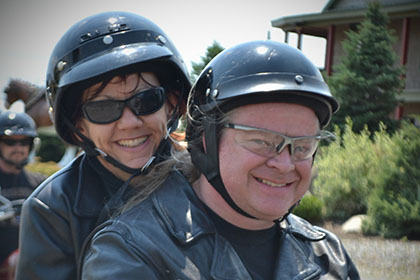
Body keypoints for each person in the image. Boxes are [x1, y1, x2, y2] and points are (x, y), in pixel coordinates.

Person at [81, 40, 360, 279]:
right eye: (262, 141)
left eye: (302, 146)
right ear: (206, 142)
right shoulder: (132, 252)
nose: (285, 164)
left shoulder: (328, 254)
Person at [15, 11, 190, 280]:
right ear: (79, 125)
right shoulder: (52, 207)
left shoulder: (208, 179)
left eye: (146, 100)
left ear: (170, 103)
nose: (129, 122)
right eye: (103, 109)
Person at [0, 111, 46, 267]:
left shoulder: (41, 184)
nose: (18, 148)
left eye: (24, 142)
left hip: (34, 263)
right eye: (10, 142)